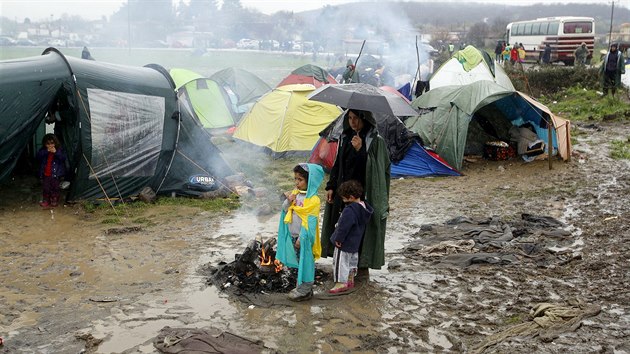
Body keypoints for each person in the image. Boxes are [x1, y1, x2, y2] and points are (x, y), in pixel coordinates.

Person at [320, 109, 390, 281]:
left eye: (356, 118)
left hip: (364, 194)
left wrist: (361, 151)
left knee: (362, 230)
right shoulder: (345, 137)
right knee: (344, 226)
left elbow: (377, 169)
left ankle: (362, 265)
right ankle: (344, 265)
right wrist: (331, 186)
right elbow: (338, 164)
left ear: (365, 119)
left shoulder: (375, 141)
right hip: (345, 192)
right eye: (350, 118)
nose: (353, 122)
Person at [276, 163, 324, 302]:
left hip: (303, 238)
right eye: (295, 179)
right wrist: (288, 201)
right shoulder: (295, 194)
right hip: (293, 235)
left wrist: (301, 238)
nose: (297, 182)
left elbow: (310, 222)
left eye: (300, 180)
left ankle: (305, 288)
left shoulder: (313, 200)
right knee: (299, 262)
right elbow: (285, 210)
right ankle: (302, 287)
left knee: (306, 261)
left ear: (310, 181)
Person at [328, 180, 373, 294]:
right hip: (355, 243)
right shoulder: (364, 208)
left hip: (344, 243)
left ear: (351, 197)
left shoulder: (350, 210)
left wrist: (339, 239)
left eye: (344, 198)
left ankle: (340, 282)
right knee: (352, 262)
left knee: (340, 262)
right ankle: (349, 280)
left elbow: (344, 227)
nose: (343, 200)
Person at [37, 133, 67, 208]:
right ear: (45, 144)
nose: (50, 145)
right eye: (48, 144)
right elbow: (38, 157)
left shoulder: (59, 150)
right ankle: (46, 201)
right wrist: (46, 151)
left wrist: (56, 152)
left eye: (52, 143)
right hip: (46, 174)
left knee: (55, 188)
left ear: (55, 143)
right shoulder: (43, 150)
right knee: (46, 188)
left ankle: (54, 200)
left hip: (55, 175)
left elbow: (63, 158)